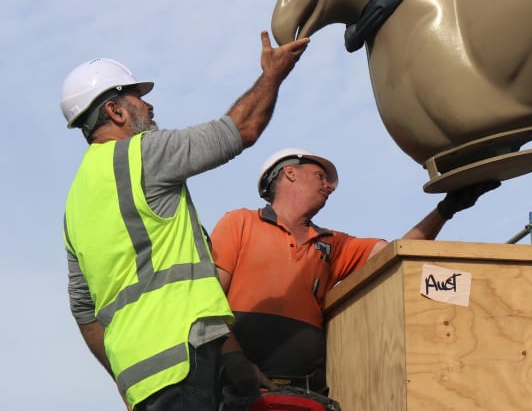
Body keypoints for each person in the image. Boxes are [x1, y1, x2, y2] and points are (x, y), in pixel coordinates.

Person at [62, 31, 310, 411]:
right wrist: (273, 75)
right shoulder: (142, 155)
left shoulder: (74, 205)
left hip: (140, 383)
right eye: (138, 98)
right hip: (182, 367)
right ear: (115, 111)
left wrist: (232, 360)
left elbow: (86, 315)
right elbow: (240, 130)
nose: (150, 105)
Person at [210, 148, 497, 409]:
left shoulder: (331, 243)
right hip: (239, 392)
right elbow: (209, 300)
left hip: (306, 395)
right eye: (320, 176)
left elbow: (397, 253)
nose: (330, 186)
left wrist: (445, 210)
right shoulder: (240, 223)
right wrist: (235, 360)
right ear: (290, 172)